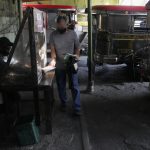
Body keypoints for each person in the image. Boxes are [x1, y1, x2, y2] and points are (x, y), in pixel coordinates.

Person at [49, 15, 81, 116]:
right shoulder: (53, 35)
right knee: (60, 85)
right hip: (59, 65)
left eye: (63, 25)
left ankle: (77, 107)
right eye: (59, 25)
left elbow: (77, 47)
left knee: (74, 86)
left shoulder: (73, 34)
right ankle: (63, 103)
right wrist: (53, 59)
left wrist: (77, 56)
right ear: (57, 24)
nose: (61, 27)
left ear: (66, 24)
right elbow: (53, 50)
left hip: (71, 63)